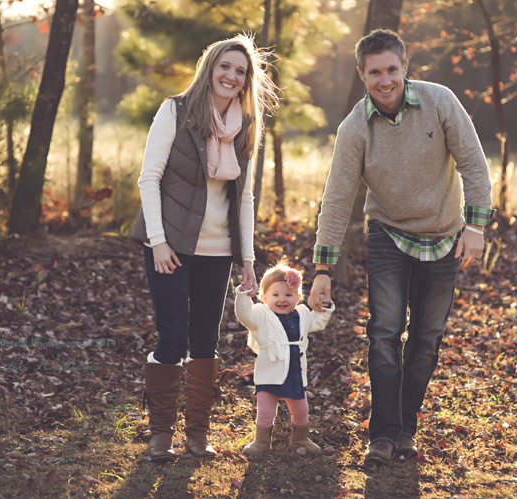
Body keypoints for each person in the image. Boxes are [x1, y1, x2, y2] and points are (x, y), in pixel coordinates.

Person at [308, 29, 495, 466]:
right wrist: (323, 269)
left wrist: (477, 227)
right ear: (362, 75)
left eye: (392, 69)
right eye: (375, 72)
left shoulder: (439, 101)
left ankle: (406, 428)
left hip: (445, 233)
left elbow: (473, 162)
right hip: (388, 233)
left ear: (405, 67)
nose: (385, 79)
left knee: (427, 338)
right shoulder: (355, 127)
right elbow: (337, 199)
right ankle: (383, 434)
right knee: (384, 333)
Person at [131, 33, 279, 462]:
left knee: (205, 340)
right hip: (170, 245)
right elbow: (149, 179)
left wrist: (247, 258)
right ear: (210, 67)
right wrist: (158, 242)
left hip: (218, 250)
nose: (231, 76)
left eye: (241, 71)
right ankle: (161, 436)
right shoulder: (175, 110)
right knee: (173, 335)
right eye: (225, 67)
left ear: (246, 79)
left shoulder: (247, 124)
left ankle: (197, 435)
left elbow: (245, 197)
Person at [234, 261, 334, 456]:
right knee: (265, 411)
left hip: (295, 372)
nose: (282, 300)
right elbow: (244, 316)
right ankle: (261, 442)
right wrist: (243, 296)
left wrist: (325, 306)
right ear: (264, 297)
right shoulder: (261, 314)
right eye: (275, 295)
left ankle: (300, 439)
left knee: (301, 409)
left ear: (298, 297)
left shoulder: (303, 314)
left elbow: (319, 321)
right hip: (269, 371)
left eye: (288, 295)